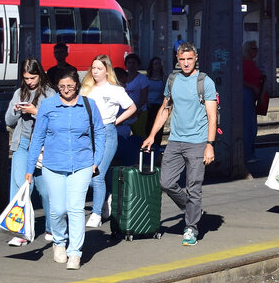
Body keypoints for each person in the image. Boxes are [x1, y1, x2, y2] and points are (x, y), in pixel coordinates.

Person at [27, 67, 105, 270]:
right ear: (57, 87)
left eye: (70, 85)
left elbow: (100, 132)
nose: (66, 89)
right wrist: (29, 167)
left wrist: (96, 160)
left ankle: (75, 253)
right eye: (62, 86)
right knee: (58, 210)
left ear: (77, 85)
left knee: (75, 208)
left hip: (82, 164)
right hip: (53, 165)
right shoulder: (48, 106)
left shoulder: (88, 105)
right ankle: (59, 241)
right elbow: (38, 137)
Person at [142, 42, 217, 246]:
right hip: (175, 141)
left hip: (197, 142)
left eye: (189, 59)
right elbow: (165, 109)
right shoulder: (172, 79)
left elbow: (212, 115)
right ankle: (191, 208)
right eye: (182, 59)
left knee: (194, 187)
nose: (186, 63)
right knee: (166, 182)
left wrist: (210, 144)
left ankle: (191, 228)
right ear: (177, 59)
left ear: (196, 58)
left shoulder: (205, 82)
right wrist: (152, 135)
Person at [2, 59, 56, 246]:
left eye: (33, 77)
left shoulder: (49, 93)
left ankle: (52, 228)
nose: (29, 82)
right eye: (26, 78)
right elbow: (8, 121)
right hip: (23, 143)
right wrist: (17, 110)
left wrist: (35, 111)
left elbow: (54, 121)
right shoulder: (19, 92)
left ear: (40, 74)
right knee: (22, 186)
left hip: (42, 147)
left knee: (46, 191)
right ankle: (19, 230)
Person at [80, 55, 136, 228]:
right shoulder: (86, 89)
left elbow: (132, 107)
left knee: (97, 174)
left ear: (107, 70)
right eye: (93, 68)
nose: (95, 71)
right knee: (87, 175)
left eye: (99, 68)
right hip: (88, 133)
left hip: (107, 132)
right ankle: (105, 197)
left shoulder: (115, 90)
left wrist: (115, 122)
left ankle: (96, 213)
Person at [121, 53, 150, 160]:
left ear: (138, 65)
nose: (131, 65)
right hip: (125, 113)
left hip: (139, 112)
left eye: (134, 63)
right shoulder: (123, 77)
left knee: (140, 136)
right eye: (129, 63)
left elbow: (144, 97)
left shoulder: (142, 79)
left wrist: (135, 110)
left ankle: (144, 157)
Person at [242, 41, 264, 164]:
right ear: (247, 50)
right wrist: (254, 87)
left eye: (256, 49)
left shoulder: (250, 62)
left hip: (250, 96)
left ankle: (250, 153)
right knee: (249, 127)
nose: (256, 51)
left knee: (251, 126)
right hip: (246, 95)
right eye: (253, 49)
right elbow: (240, 79)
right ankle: (248, 154)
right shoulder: (245, 63)